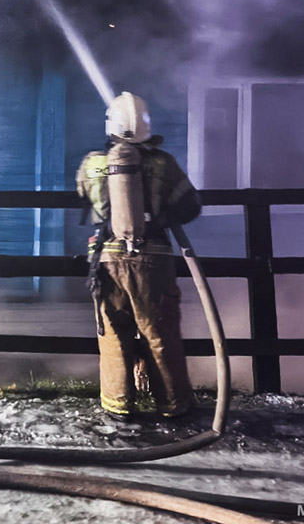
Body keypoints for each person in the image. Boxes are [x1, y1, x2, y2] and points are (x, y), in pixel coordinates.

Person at [75, 92, 201, 422]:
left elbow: (82, 196)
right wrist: (159, 218)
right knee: (160, 336)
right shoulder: (163, 164)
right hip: (153, 261)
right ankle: (174, 407)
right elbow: (191, 206)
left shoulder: (92, 164)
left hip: (106, 262)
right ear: (146, 127)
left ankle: (118, 410)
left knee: (114, 336)